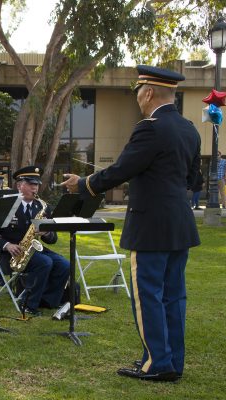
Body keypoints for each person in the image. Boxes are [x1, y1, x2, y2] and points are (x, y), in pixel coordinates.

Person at [62, 65, 201, 383]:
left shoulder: (150, 128)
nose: (138, 97)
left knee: (148, 294)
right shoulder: (190, 129)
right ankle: (171, 361)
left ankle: (156, 363)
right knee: (174, 295)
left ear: (148, 92)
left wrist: (83, 183)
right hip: (180, 225)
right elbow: (194, 179)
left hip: (151, 227)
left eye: (138, 91)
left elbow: (121, 170)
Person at [0, 166, 69, 318]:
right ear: (19, 185)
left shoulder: (42, 206)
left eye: (36, 184)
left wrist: (47, 232)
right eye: (30, 184)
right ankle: (29, 304)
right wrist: (7, 245)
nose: (35, 187)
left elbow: (53, 239)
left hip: (33, 249)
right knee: (45, 263)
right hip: (12, 253)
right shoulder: (7, 205)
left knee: (64, 264)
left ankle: (47, 300)